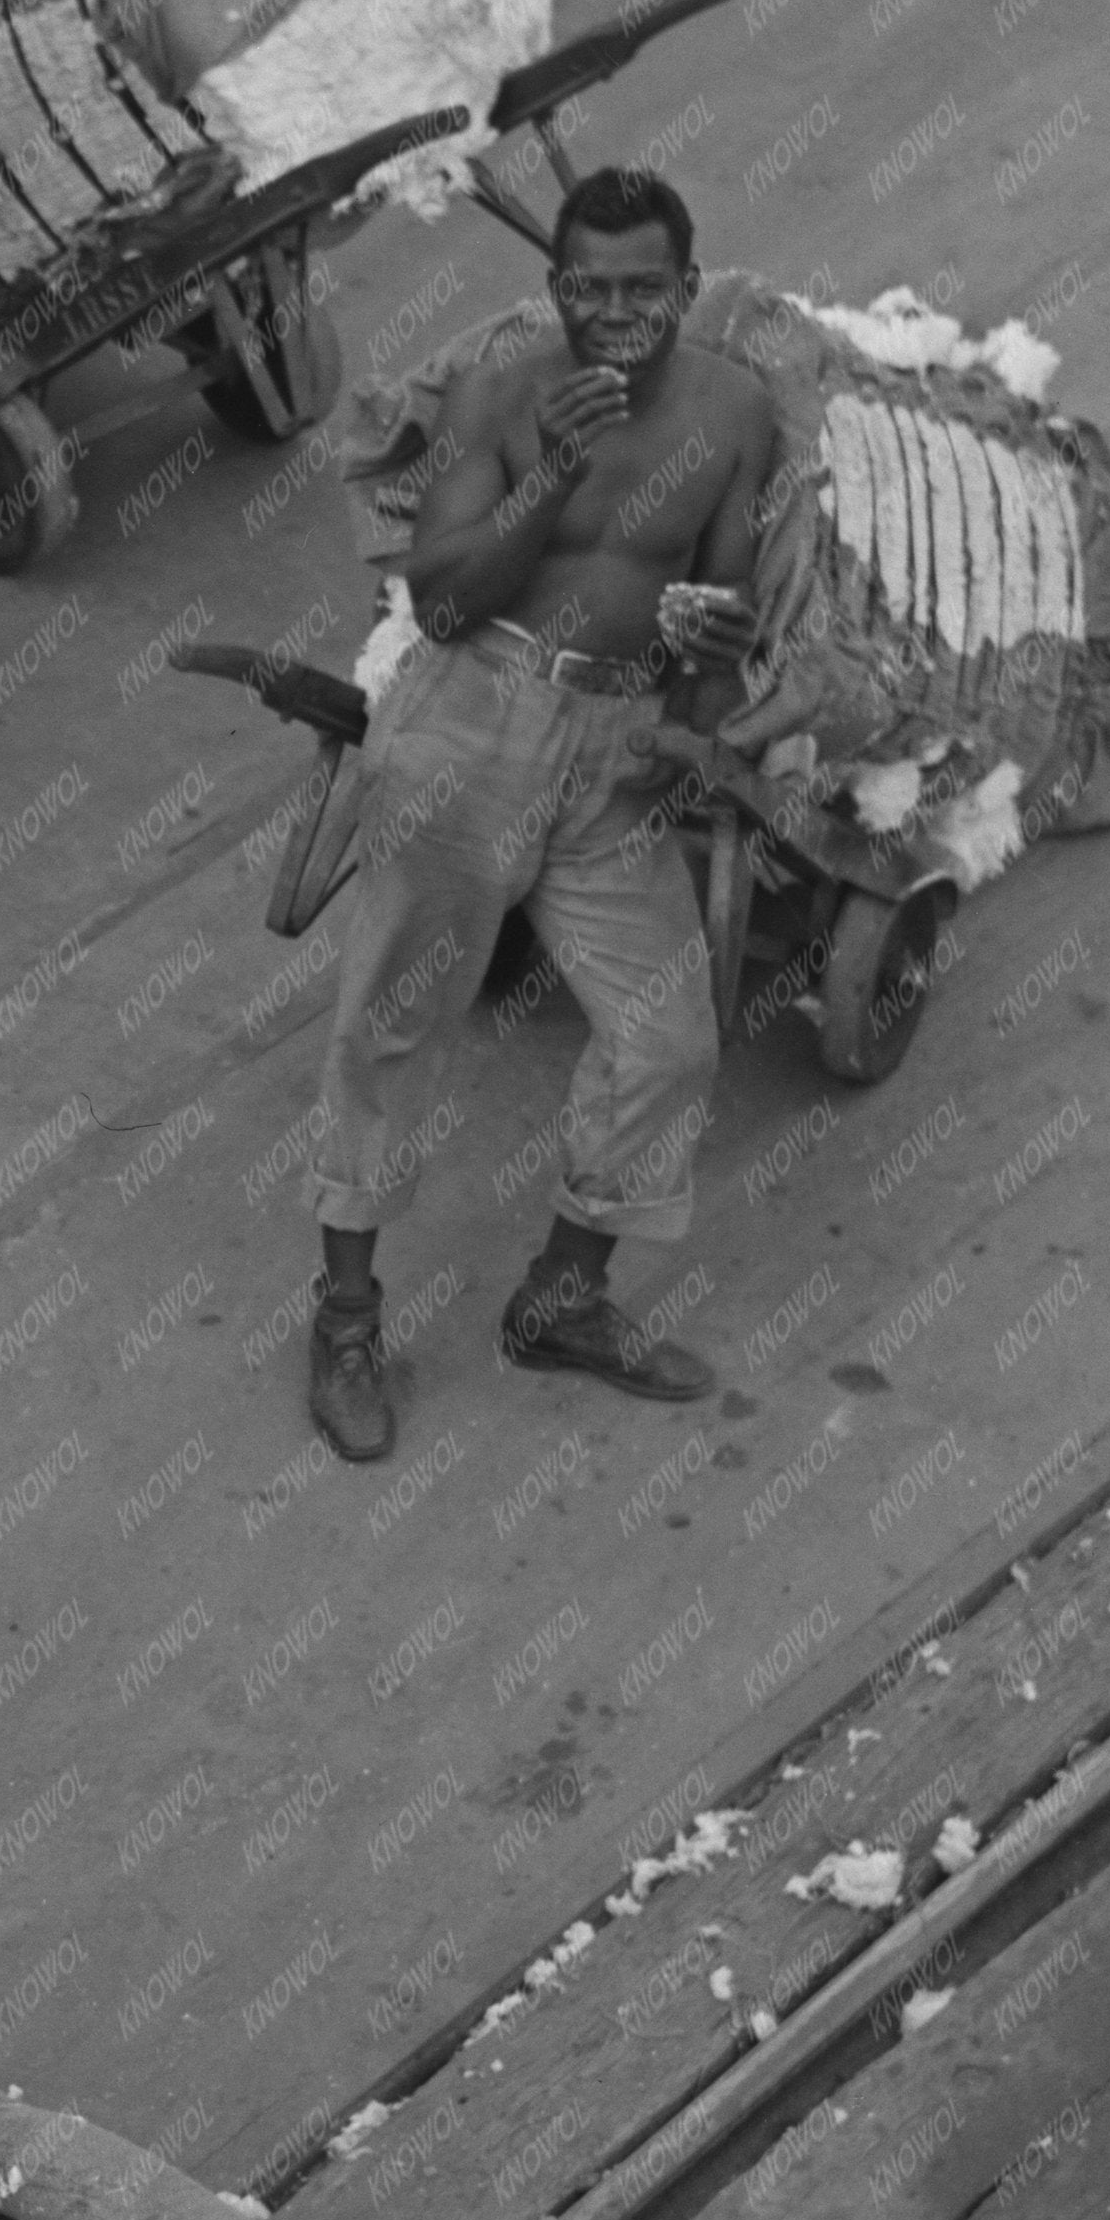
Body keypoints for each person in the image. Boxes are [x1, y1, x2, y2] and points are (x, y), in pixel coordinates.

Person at [301, 165, 776, 1464]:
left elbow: (716, 621)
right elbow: (444, 601)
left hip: (613, 745)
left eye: (642, 288)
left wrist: (710, 669)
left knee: (669, 1036)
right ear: (553, 286)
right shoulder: (504, 390)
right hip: (470, 716)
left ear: (686, 287)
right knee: (394, 1024)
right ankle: (344, 1320)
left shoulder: (736, 410)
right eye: (587, 286)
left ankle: (562, 1296)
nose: (613, 311)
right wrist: (547, 478)